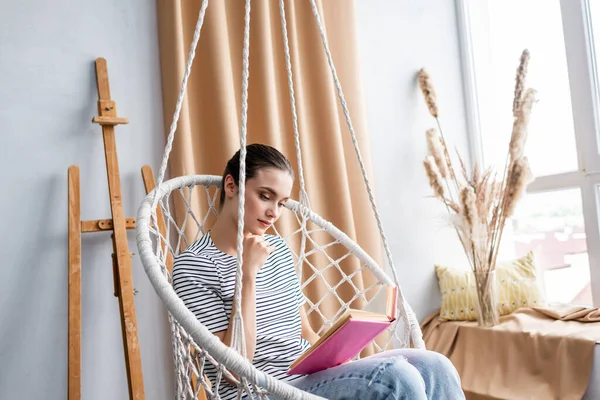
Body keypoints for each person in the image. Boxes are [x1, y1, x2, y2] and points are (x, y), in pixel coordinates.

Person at [172, 144, 465, 400]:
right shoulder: (193, 266)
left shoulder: (277, 249)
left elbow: (305, 332)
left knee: (434, 366)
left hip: (308, 378)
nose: (274, 212)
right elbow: (234, 369)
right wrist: (247, 276)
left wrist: (339, 352)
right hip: (258, 391)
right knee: (397, 378)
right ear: (232, 186)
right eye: (265, 195)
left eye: (282, 203)